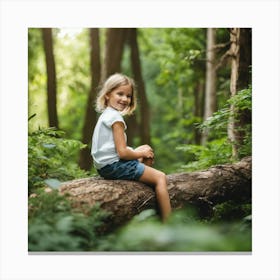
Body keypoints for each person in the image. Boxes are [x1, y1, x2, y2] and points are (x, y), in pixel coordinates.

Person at [91, 73, 171, 221]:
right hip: (114, 166)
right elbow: (122, 153)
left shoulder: (106, 115)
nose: (124, 99)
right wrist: (139, 152)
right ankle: (168, 223)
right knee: (160, 177)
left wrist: (139, 151)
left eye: (128, 96)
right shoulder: (116, 118)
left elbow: (116, 150)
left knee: (145, 149)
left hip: (105, 166)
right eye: (120, 94)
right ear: (108, 94)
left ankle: (142, 186)